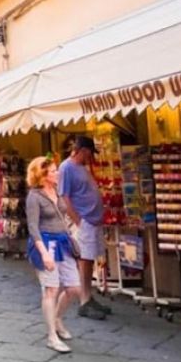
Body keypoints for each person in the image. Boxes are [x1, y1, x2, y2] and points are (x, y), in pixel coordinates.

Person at [25, 157, 82, 353]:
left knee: (74, 287)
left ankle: (57, 318)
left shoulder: (57, 191)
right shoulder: (34, 197)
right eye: (53, 171)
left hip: (63, 242)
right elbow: (33, 227)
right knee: (51, 290)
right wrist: (44, 254)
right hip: (46, 244)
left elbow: (64, 214)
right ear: (42, 175)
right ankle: (51, 336)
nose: (57, 173)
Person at [58, 136, 110, 320]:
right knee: (84, 260)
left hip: (92, 220)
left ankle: (88, 296)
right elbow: (65, 196)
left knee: (90, 260)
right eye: (90, 152)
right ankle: (84, 301)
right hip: (85, 221)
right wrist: (77, 221)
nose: (91, 157)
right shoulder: (66, 168)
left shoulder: (81, 167)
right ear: (83, 150)